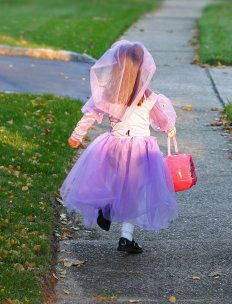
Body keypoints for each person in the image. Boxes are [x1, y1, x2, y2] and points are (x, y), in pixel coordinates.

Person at [61, 40, 178, 254]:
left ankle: (106, 208)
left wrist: (77, 135)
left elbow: (91, 114)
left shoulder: (109, 92)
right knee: (135, 191)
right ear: (142, 67)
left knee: (116, 183)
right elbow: (161, 119)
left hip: (114, 147)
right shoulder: (147, 96)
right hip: (141, 152)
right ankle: (126, 236)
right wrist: (169, 127)